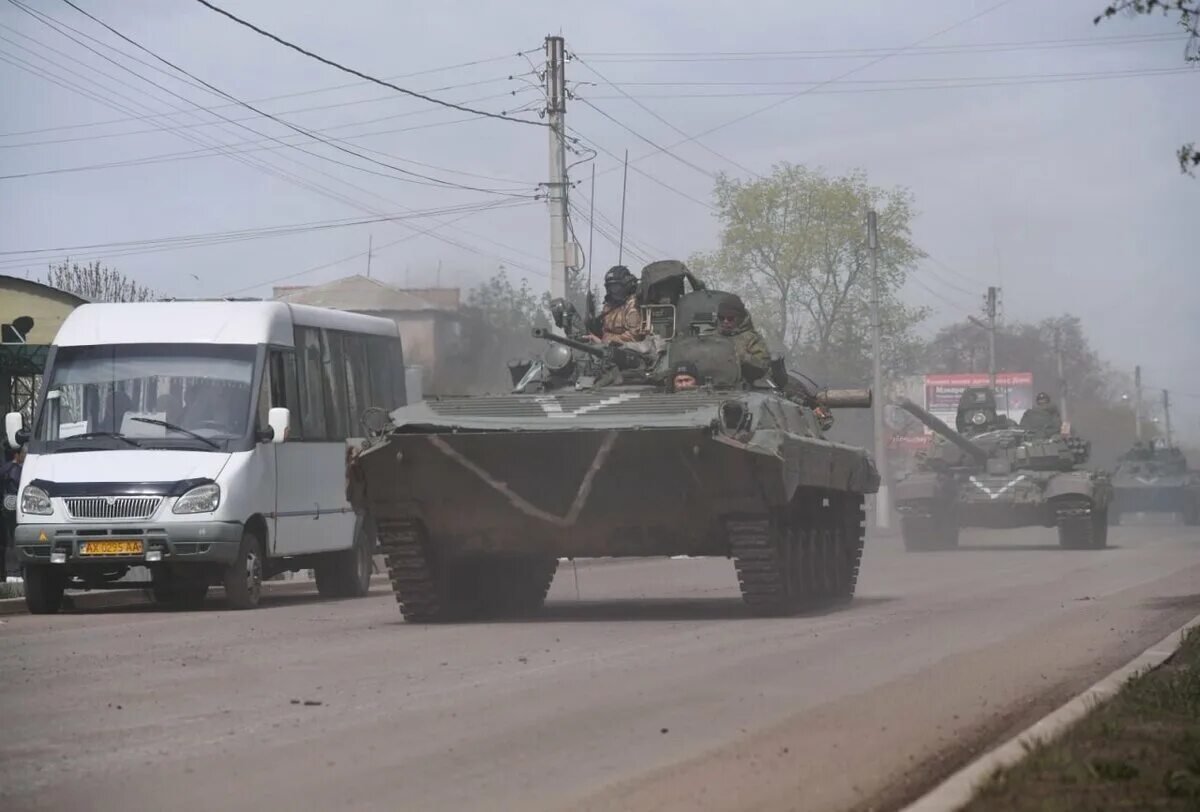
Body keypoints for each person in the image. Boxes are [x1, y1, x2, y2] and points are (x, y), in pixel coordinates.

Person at [716, 296, 770, 383]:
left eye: (730, 318)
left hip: (742, 387)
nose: (725, 321)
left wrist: (742, 357)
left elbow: (763, 365)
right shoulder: (710, 336)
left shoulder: (752, 339)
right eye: (722, 318)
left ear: (740, 318)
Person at [589, 265, 646, 344]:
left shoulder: (633, 305)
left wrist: (605, 340)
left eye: (616, 287)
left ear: (627, 286)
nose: (612, 291)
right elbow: (605, 331)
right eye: (610, 287)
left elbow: (634, 337)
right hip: (609, 350)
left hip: (630, 352)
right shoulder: (608, 306)